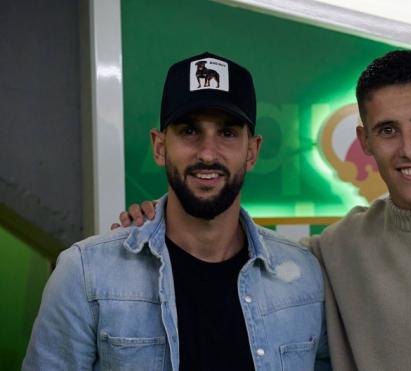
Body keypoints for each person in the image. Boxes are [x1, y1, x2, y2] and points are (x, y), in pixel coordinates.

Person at [120, 50, 411, 370]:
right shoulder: (341, 248)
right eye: (389, 130)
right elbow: (234, 250)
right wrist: (158, 221)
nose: (409, 149)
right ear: (365, 140)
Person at [23, 52, 325, 371]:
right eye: (189, 131)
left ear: (252, 152)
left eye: (227, 133)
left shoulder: (304, 277)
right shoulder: (85, 273)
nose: (208, 153)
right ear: (159, 146)